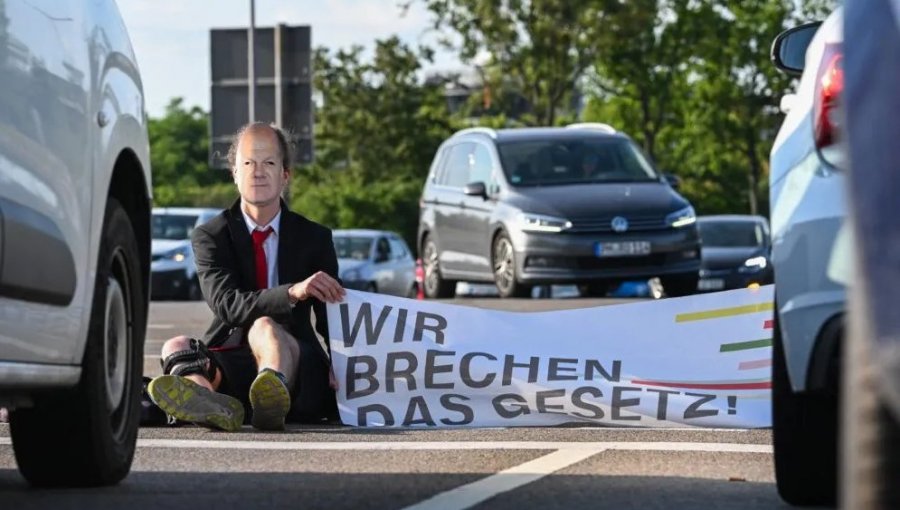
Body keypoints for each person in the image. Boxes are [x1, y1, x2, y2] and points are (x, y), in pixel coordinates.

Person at [147, 122, 346, 431]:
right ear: (235, 173)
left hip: (296, 363)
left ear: (285, 174)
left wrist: (343, 363)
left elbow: (331, 313)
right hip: (233, 356)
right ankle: (207, 400)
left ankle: (271, 393)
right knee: (176, 345)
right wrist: (292, 292)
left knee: (266, 327)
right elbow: (227, 305)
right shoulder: (210, 236)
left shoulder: (315, 237)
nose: (258, 171)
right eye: (248, 163)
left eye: (269, 162)